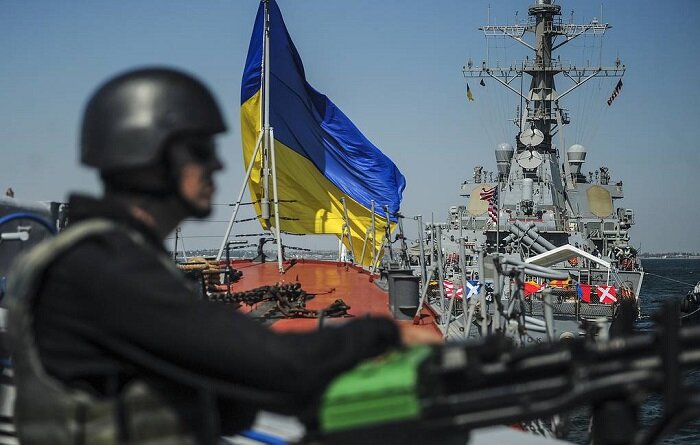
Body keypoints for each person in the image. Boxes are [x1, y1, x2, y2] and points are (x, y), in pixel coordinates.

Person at [6, 67, 440, 445]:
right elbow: (275, 367)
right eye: (200, 151)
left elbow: (229, 393)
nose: (217, 166)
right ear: (146, 156)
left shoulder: (106, 260)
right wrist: (384, 335)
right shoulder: (100, 269)